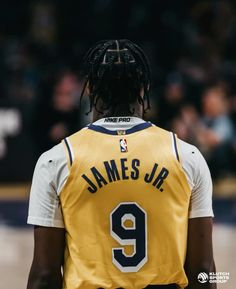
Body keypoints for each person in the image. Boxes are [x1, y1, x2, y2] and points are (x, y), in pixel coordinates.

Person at [27, 39, 216, 289]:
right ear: (144, 88)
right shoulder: (186, 156)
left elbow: (44, 276)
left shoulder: (57, 160)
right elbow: (204, 271)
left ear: (91, 89)